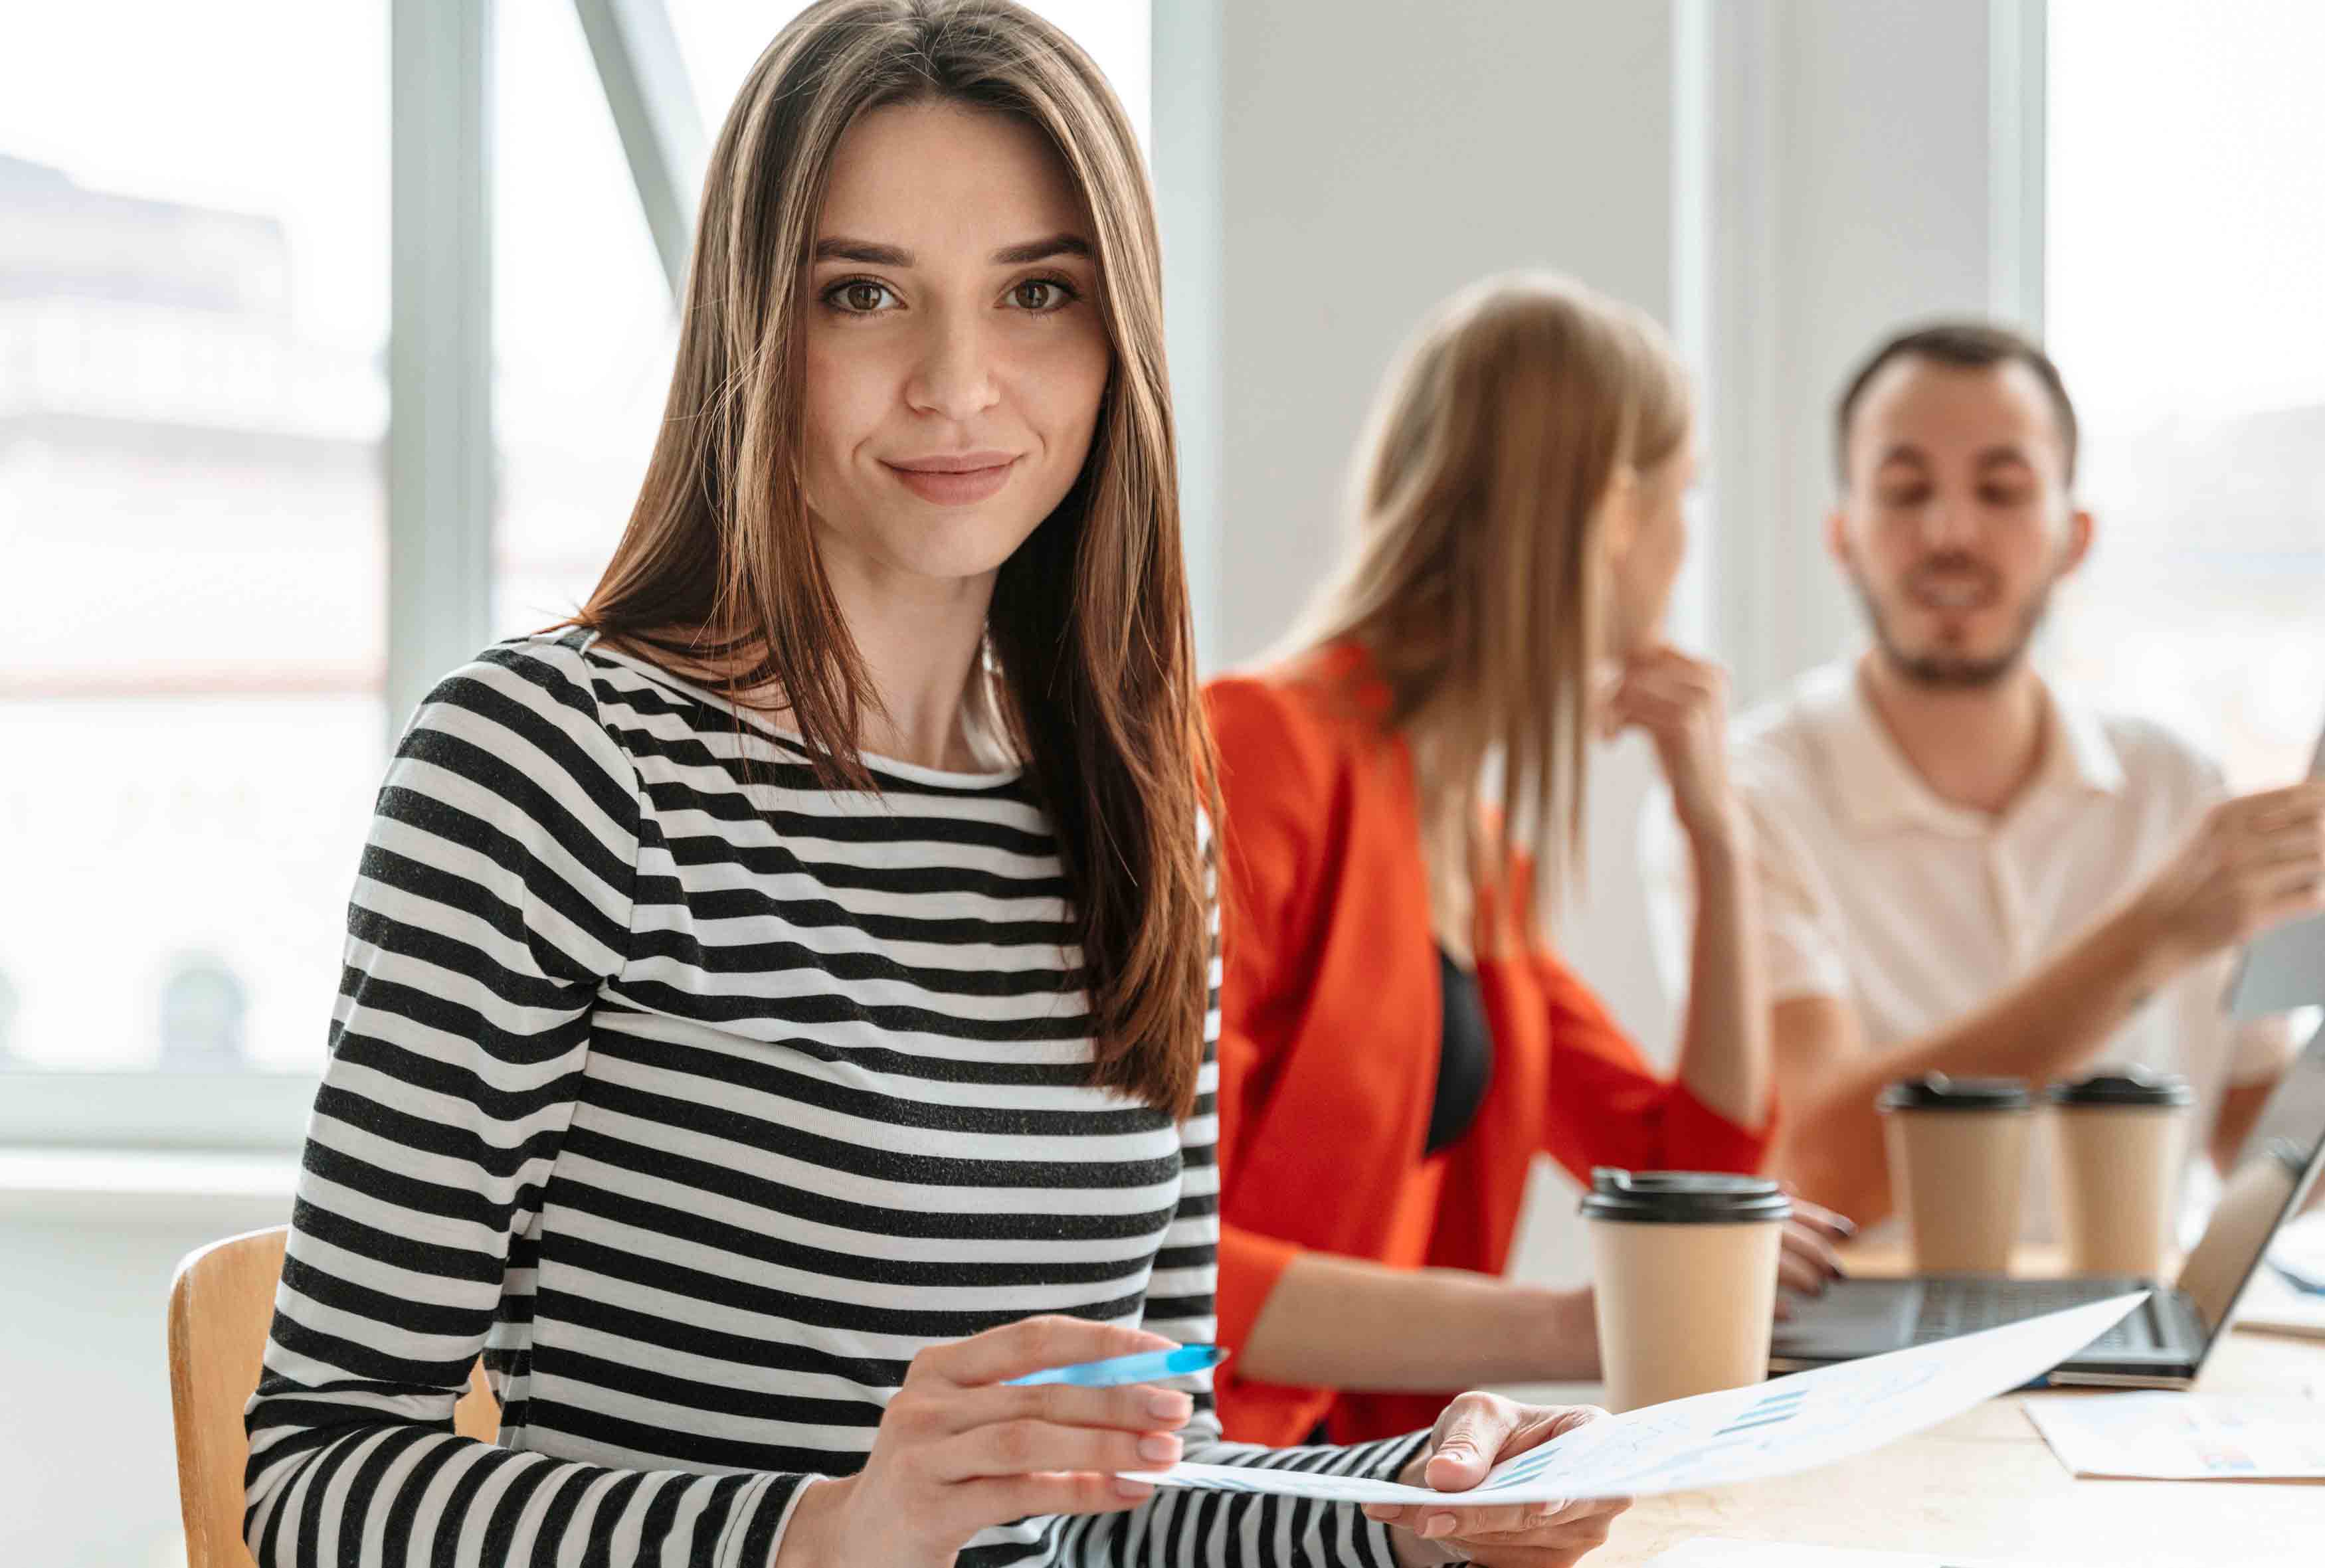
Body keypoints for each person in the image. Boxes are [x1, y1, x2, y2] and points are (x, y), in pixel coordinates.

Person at [240, 5, 1629, 1565]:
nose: (958, 386)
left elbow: (1135, 1490)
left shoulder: (1138, 811)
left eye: (1037, 292)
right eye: (863, 294)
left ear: (1116, 335)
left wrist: (1421, 1511)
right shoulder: (549, 765)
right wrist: (828, 1532)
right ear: (755, 332)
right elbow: (314, 1482)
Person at [1204, 274, 1847, 1451]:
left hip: (1357, 1482)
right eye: (1685, 492)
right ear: (1612, 510)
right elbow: (1159, 1258)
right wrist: (1571, 1326)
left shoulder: (1469, 844)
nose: (1684, 543)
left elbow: (1687, 1179)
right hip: (1204, 1486)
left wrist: (1719, 837)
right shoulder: (1259, 754)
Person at [1706, 319, 2324, 1233]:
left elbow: (2260, 1151)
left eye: (2001, 490)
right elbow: (1820, 1166)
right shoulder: (1745, 800)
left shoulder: (2175, 782)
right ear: (1844, 535)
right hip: (1863, 1323)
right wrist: (2153, 933)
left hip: (2140, 1320)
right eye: (1905, 490)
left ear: (2074, 537)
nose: (1950, 532)